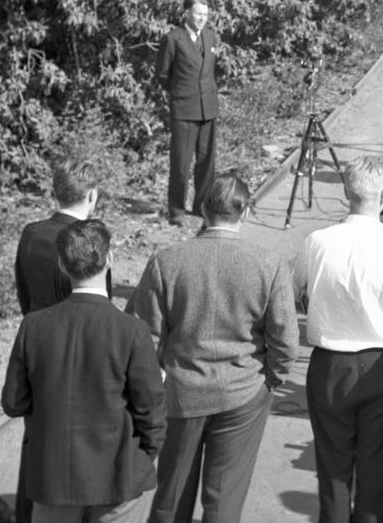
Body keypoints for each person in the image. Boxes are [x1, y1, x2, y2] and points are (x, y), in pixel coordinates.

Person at [127, 172, 299, 523]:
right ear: (246, 212)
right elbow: (285, 338)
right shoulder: (269, 265)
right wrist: (271, 380)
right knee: (223, 503)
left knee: (171, 494)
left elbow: (145, 334)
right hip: (244, 391)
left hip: (181, 391)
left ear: (203, 210)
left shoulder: (167, 261)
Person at [1, 219, 167, 523]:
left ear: (62, 266)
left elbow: (13, 403)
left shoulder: (33, 325)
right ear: (110, 260)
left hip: (53, 480)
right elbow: (152, 413)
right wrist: (144, 456)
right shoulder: (131, 331)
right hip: (119, 478)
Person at [294, 156, 383, 523]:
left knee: (333, 469)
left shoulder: (316, 242)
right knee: (377, 469)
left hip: (330, 367)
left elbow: (295, 294)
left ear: (346, 193)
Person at [156, 0, 220, 225]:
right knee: (181, 163)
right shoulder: (173, 39)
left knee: (206, 162)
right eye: (198, 13)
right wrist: (181, 92)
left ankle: (201, 206)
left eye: (205, 14)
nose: (202, 18)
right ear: (186, 14)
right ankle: (176, 210)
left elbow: (212, 71)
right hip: (184, 108)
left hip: (208, 108)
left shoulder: (210, 37)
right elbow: (162, 74)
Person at [15, 159, 108, 315]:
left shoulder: (30, 233)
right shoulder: (92, 239)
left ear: (56, 193)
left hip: (36, 328)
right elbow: (100, 301)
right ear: (92, 195)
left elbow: (23, 291)